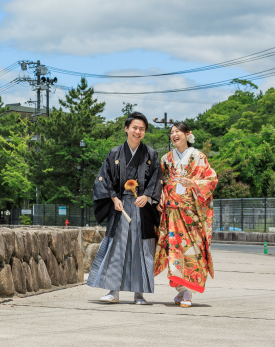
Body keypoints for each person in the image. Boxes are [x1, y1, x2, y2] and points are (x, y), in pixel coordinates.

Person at [87, 112, 162, 304]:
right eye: (134, 128)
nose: (137, 131)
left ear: (145, 132)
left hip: (142, 207)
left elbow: (156, 180)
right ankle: (113, 291)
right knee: (118, 247)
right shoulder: (114, 153)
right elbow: (104, 178)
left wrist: (146, 196)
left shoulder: (151, 154)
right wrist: (113, 198)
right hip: (120, 206)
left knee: (140, 247)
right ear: (126, 129)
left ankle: (139, 293)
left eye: (142, 129)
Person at [154, 122, 218, 308]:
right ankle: (183, 291)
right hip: (172, 212)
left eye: (178, 132)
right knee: (174, 253)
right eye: (172, 132)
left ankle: (187, 291)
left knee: (192, 252)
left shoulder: (199, 157)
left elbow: (211, 179)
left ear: (187, 134)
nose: (174, 135)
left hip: (192, 215)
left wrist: (194, 184)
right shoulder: (166, 158)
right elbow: (161, 181)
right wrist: (161, 195)